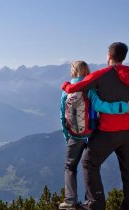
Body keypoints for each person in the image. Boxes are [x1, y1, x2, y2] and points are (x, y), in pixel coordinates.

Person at [61, 42, 129, 210]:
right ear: (124, 56)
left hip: (107, 132)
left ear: (109, 56)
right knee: (127, 170)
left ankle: (95, 204)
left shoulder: (102, 74)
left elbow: (77, 86)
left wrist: (66, 86)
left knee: (89, 163)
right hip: (128, 132)